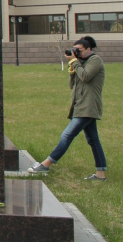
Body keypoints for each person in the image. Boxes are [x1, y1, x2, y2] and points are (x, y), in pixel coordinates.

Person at [28, 37, 107, 180]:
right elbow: (73, 85)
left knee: (67, 135)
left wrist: (75, 62)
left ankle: (46, 165)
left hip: (88, 107)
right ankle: (100, 174)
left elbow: (85, 76)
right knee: (93, 140)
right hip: (80, 106)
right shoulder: (81, 63)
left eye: (79, 50)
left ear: (89, 49)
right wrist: (72, 69)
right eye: (74, 50)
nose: (76, 53)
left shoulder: (95, 60)